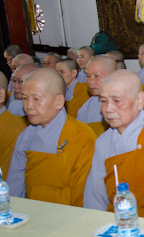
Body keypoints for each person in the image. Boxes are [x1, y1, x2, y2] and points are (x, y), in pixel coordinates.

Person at [83, 70, 144, 221]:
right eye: (103, 101)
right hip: (109, 223)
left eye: (117, 100)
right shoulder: (103, 141)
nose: (108, 109)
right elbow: (94, 197)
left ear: (139, 100)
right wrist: (96, 223)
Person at [7, 68, 96, 206]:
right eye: (24, 98)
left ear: (59, 101)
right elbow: (15, 185)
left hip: (71, 214)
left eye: (36, 99)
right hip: (30, 211)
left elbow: (82, 195)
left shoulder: (82, 137)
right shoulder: (26, 136)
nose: (28, 106)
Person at [76, 55, 115, 136]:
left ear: (112, 76)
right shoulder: (87, 106)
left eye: (96, 76)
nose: (90, 81)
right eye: (88, 76)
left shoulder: (123, 105)